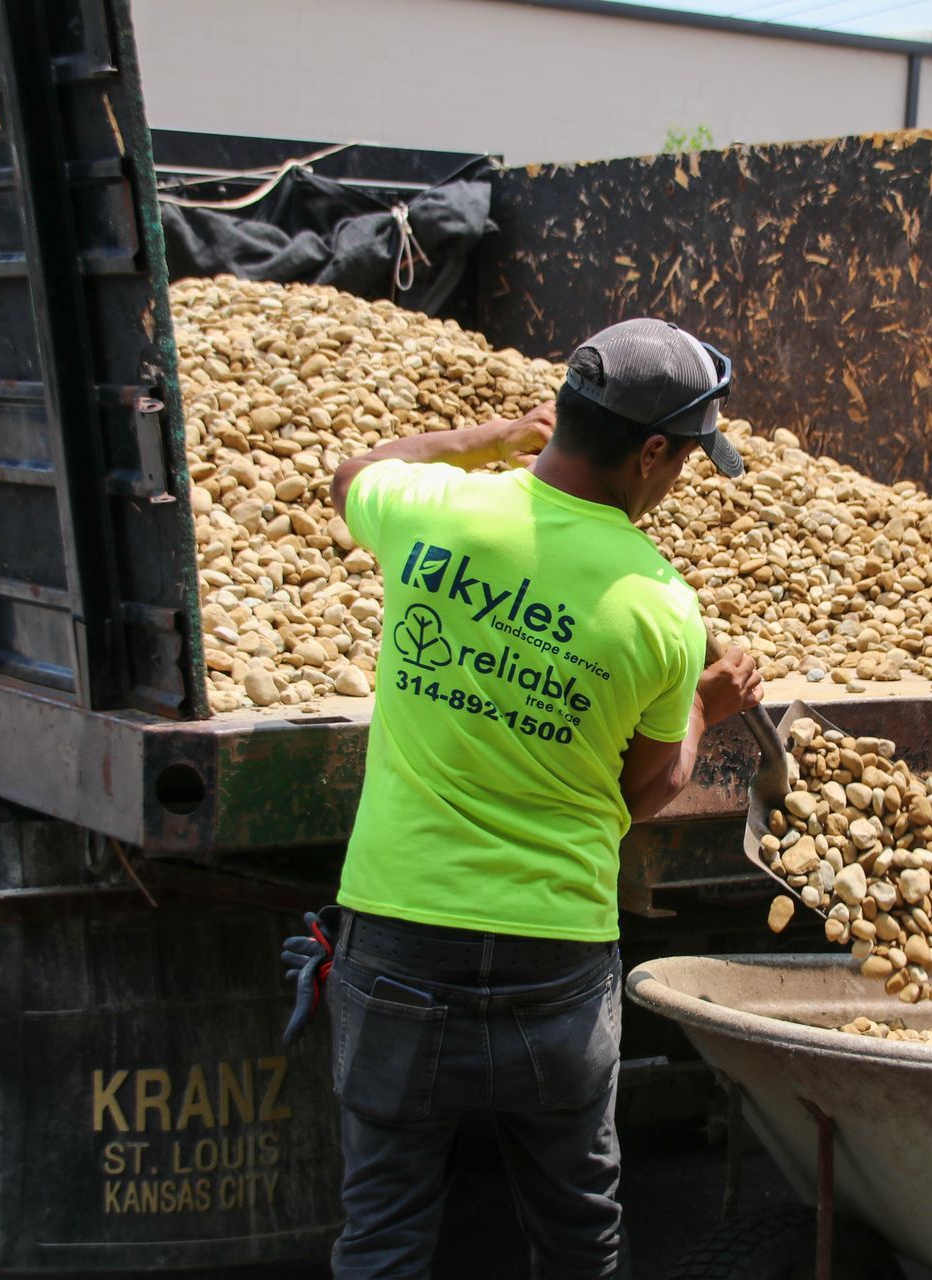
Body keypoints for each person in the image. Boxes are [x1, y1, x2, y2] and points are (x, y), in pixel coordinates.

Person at [321, 318, 763, 1278]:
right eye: (687, 459)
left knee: (384, 1236)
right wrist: (700, 709)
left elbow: (350, 473)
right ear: (651, 454)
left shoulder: (432, 511)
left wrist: (485, 439)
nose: (682, 479)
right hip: (552, 960)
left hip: (399, 935)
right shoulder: (660, 605)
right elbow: (648, 791)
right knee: (575, 1236)